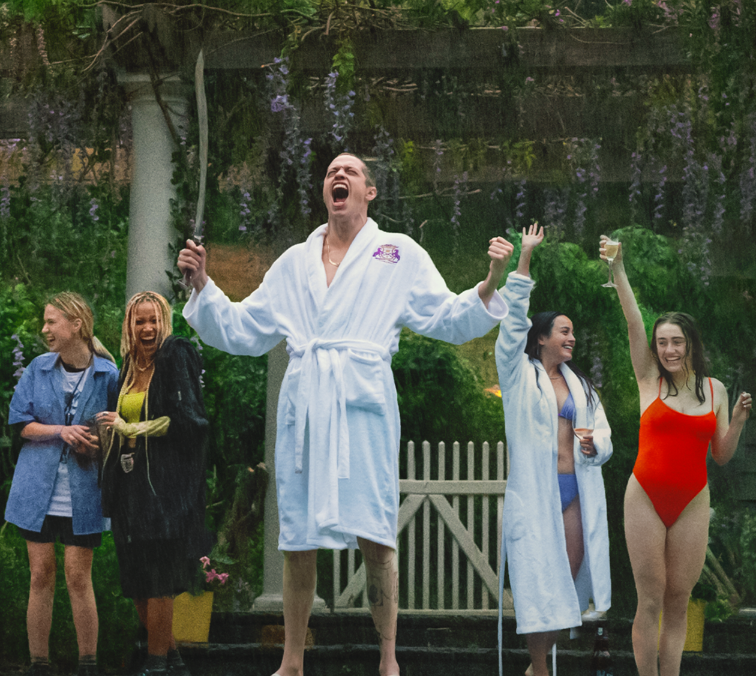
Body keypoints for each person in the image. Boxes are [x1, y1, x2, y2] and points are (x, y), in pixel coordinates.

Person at [177, 152, 514, 676]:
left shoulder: (396, 253)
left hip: (363, 404)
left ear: (369, 192)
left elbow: (445, 315)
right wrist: (204, 284)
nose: (338, 175)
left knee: (377, 533)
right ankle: (292, 661)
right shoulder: (293, 262)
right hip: (307, 404)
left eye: (350, 171)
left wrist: (490, 282)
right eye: (332, 171)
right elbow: (245, 328)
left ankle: (388, 657)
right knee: (297, 538)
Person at [602, 236, 751, 676]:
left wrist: (739, 419)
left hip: (693, 501)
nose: (668, 350)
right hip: (645, 495)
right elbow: (632, 319)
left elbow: (721, 456)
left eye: (676, 342)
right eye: (662, 342)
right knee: (650, 598)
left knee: (678, 599)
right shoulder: (648, 378)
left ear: (690, 344)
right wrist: (618, 269)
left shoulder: (715, 389)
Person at [496, 225, 612, 676]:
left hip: (575, 490)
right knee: (538, 579)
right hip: (537, 490)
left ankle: (540, 666)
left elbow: (604, 435)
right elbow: (510, 326)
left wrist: (593, 443)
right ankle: (539, 667)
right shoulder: (518, 373)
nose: (572, 338)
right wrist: (524, 259)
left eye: (573, 333)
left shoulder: (581, 385)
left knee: (566, 576)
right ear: (540, 336)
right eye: (564, 331)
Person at [5, 292, 119, 676]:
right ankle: (40, 664)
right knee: (40, 575)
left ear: (77, 325)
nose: (44, 329)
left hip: (84, 491)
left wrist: (99, 443)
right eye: (45, 321)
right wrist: (62, 431)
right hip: (38, 488)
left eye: (52, 322)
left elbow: (120, 433)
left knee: (76, 576)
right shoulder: (38, 368)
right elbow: (21, 423)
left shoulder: (109, 374)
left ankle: (88, 664)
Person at [97, 291, 210, 675]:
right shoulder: (127, 369)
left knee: (160, 577)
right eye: (139, 321)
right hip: (128, 488)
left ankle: (156, 662)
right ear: (129, 326)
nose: (147, 328)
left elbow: (184, 421)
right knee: (136, 579)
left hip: (163, 490)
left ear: (165, 322)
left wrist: (129, 426)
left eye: (153, 320)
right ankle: (174, 660)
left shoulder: (174, 360)